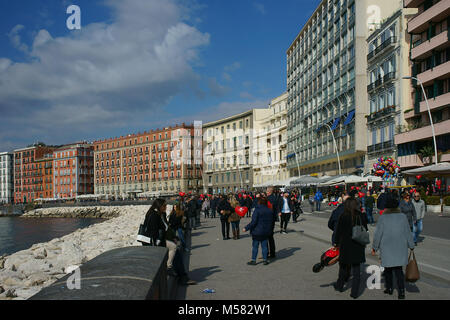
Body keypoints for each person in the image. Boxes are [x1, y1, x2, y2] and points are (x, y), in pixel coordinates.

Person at [372, 192, 415, 299]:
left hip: (386, 247)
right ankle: (401, 291)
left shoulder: (383, 218)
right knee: (399, 271)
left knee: (388, 270)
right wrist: (411, 245)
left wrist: (375, 247)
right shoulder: (402, 217)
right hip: (400, 247)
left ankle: (389, 288)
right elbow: (408, 232)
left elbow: (378, 234)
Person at [333, 197, 368, 299]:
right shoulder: (360, 215)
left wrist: (335, 242)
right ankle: (354, 292)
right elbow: (365, 229)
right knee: (356, 270)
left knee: (343, 267)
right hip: (358, 245)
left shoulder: (343, 216)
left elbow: (338, 231)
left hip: (345, 245)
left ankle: (340, 285)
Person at [144, 198, 178, 277]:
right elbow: (153, 230)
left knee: (174, 247)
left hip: (160, 238)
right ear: (159, 206)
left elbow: (165, 227)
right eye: (164, 205)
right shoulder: (154, 215)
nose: (166, 207)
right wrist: (156, 242)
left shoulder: (159, 214)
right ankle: (168, 268)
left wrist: (173, 237)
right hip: (155, 240)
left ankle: (168, 267)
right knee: (173, 247)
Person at [243, 196, 274, 265]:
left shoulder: (257, 210)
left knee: (255, 246)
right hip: (266, 231)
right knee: (264, 246)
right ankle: (265, 260)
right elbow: (271, 221)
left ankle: (254, 260)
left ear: (259, 202)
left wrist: (246, 228)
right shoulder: (269, 210)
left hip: (257, 231)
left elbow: (253, 222)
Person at [266, 187, 279, 259]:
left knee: (267, 237)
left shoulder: (268, 199)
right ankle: (272, 252)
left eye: (267, 191)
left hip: (268, 220)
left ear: (269, 191)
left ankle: (267, 253)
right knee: (271, 237)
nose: (266, 192)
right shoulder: (275, 198)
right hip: (273, 219)